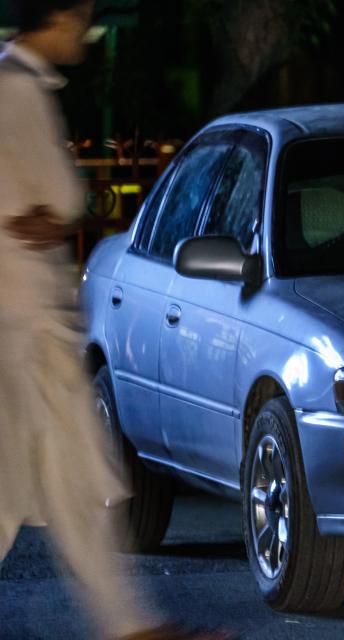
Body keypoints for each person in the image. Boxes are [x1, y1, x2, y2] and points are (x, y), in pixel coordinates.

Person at [0, 3, 228, 639]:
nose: (87, 33)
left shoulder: (14, 87)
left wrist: (47, 211)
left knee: (60, 488)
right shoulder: (16, 93)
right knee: (60, 486)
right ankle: (129, 627)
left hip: (26, 325)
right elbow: (66, 196)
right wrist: (49, 210)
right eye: (80, 19)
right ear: (55, 17)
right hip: (27, 329)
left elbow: (53, 204)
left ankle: (129, 625)